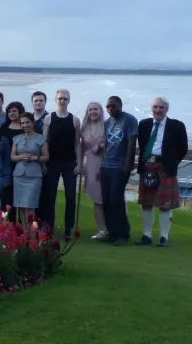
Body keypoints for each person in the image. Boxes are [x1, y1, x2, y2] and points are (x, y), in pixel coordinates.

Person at [135, 97, 188, 247]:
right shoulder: (144, 124)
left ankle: (164, 237)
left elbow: (183, 148)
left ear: (167, 109)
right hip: (147, 165)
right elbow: (142, 144)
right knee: (146, 203)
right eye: (155, 107)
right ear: (151, 109)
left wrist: (171, 162)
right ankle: (146, 235)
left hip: (165, 167)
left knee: (165, 204)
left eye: (161, 108)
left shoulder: (177, 126)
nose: (157, 110)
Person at [40, 89, 80, 238]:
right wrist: (43, 162)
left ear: (69, 100)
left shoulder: (75, 120)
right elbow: (44, 142)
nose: (62, 101)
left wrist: (79, 162)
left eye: (65, 98)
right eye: (60, 98)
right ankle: (49, 227)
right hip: (52, 162)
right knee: (50, 197)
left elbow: (77, 143)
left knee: (71, 197)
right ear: (56, 100)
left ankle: (68, 228)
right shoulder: (49, 118)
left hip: (70, 163)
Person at [101, 96, 138, 246]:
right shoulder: (106, 123)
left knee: (116, 200)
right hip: (106, 166)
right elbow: (106, 144)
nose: (110, 109)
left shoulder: (129, 120)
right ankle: (112, 232)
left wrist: (128, 166)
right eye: (108, 107)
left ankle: (123, 234)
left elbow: (131, 143)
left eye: (113, 106)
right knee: (107, 201)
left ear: (120, 105)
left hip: (119, 166)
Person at [11, 112, 48, 227]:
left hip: (34, 176)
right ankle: (24, 232)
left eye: (27, 122)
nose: (25, 125)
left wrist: (35, 158)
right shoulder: (17, 139)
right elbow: (12, 157)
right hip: (19, 175)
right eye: (22, 123)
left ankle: (32, 234)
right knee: (21, 206)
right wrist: (21, 157)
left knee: (30, 205)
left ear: (33, 122)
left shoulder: (41, 139)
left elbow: (46, 156)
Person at [79, 102, 108, 240]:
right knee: (96, 200)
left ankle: (112, 228)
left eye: (95, 109)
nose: (92, 112)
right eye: (90, 109)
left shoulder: (107, 125)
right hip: (90, 165)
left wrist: (101, 145)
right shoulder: (83, 128)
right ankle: (101, 230)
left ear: (101, 111)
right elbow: (81, 148)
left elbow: (112, 144)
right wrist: (80, 165)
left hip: (105, 163)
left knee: (107, 198)